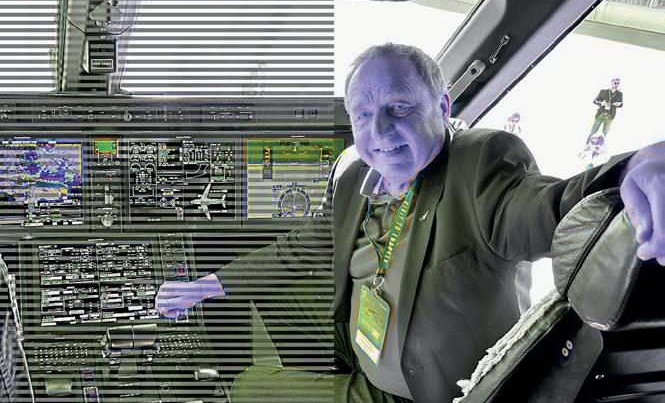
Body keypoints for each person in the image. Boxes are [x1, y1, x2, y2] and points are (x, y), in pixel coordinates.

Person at [156, 44, 665, 403]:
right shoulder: (357, 174)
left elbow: (554, 207)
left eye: (399, 107)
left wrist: (636, 169)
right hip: (366, 336)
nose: (378, 131)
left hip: (417, 386)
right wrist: (207, 285)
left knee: (250, 388)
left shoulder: (481, 169)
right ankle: (333, 368)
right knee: (275, 287)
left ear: (442, 106)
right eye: (362, 114)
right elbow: (304, 245)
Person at [586, 78, 623, 144]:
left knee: (605, 133)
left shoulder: (619, 94)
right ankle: (587, 144)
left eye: (618, 83)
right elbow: (595, 101)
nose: (616, 84)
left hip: (610, 116)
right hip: (601, 114)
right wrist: (601, 103)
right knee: (593, 131)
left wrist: (618, 104)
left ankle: (600, 146)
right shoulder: (603, 91)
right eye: (615, 83)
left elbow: (621, 104)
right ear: (611, 83)